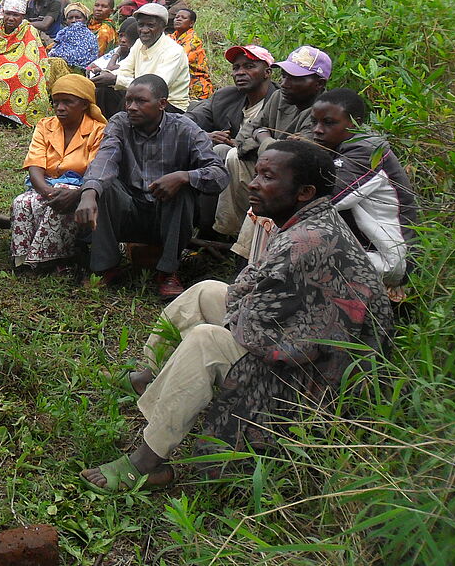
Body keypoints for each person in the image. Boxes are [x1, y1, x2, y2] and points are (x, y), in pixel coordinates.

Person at [81, 140, 391, 491]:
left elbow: (261, 324)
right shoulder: (311, 219)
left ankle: (149, 461)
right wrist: (240, 303)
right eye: (256, 173)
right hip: (304, 345)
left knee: (206, 341)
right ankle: (147, 376)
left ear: (304, 191)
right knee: (206, 291)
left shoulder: (306, 241)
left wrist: (232, 315)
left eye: (268, 176)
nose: (253, 183)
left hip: (319, 381)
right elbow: (258, 291)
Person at [74, 74, 228, 298]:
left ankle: (167, 272)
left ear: (162, 104)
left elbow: (220, 173)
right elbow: (105, 158)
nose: (131, 107)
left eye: (140, 101)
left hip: (167, 216)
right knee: (103, 186)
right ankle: (105, 267)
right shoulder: (120, 122)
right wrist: (88, 192)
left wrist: (184, 176)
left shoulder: (185, 129)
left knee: (182, 190)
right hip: (129, 209)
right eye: (128, 101)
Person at [214, 45, 331, 257]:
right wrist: (265, 140)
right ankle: (230, 232)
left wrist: (263, 137)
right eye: (284, 76)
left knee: (239, 161)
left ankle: (246, 249)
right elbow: (245, 134)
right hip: (268, 171)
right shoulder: (280, 98)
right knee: (228, 154)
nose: (285, 83)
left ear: (319, 84)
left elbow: (294, 160)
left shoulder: (322, 115)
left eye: (295, 78)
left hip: (294, 186)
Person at [310, 88, 419, 301]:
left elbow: (325, 200)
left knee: (291, 229)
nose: (318, 130)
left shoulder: (367, 152)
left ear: (355, 122)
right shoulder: (342, 146)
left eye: (329, 123)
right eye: (314, 122)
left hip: (390, 260)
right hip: (365, 247)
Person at [11, 74, 107, 276]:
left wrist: (74, 193)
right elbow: (35, 165)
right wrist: (46, 191)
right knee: (22, 202)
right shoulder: (46, 126)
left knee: (62, 194)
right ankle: (21, 260)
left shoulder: (98, 131)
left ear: (83, 104)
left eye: (67, 102)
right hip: (47, 185)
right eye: (56, 102)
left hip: (83, 189)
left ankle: (46, 260)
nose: (60, 108)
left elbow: (97, 172)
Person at [93, 3, 190, 112]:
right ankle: (105, 124)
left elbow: (155, 88)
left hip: (168, 104)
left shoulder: (173, 51)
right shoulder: (139, 43)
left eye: (150, 25)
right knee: (104, 89)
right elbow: (126, 69)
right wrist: (105, 75)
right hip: (142, 94)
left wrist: (116, 80)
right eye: (141, 25)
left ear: (163, 28)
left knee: (130, 101)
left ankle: (121, 127)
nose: (144, 30)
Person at [188, 45, 277, 148]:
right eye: (236, 68)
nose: (240, 73)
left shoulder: (281, 101)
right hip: (223, 160)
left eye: (249, 66)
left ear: (267, 72)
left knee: (221, 149)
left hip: (264, 160)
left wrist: (239, 145)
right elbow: (186, 121)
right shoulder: (224, 97)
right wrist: (204, 136)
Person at [89, 17, 138, 118]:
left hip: (133, 89)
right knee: (100, 89)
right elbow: (105, 69)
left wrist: (117, 54)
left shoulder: (135, 51)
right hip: (122, 84)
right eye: (121, 36)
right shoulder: (120, 51)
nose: (123, 40)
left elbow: (111, 69)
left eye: (127, 37)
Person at [43, 2, 99, 89]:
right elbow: (55, 49)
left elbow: (79, 56)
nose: (74, 21)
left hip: (80, 70)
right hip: (62, 67)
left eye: (78, 18)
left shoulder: (89, 36)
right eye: (70, 18)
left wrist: (57, 55)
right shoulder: (63, 33)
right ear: (66, 20)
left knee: (56, 62)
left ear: (85, 19)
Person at [170, 8, 213, 101]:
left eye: (183, 17)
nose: (178, 19)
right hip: (179, 86)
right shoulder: (170, 37)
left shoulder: (194, 41)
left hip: (196, 89)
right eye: (176, 17)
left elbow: (177, 60)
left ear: (191, 23)